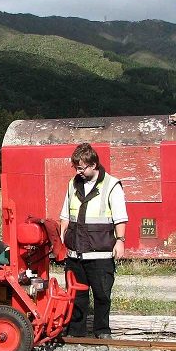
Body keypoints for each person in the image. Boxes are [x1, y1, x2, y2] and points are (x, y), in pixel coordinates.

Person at [59, 143, 128, 339]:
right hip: (75, 253)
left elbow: (120, 217)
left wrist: (120, 241)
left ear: (94, 164)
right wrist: (63, 238)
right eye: (76, 168)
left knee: (102, 294)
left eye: (81, 168)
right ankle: (76, 332)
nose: (78, 171)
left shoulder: (112, 185)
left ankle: (102, 331)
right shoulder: (72, 184)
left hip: (101, 253)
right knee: (76, 296)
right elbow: (65, 214)